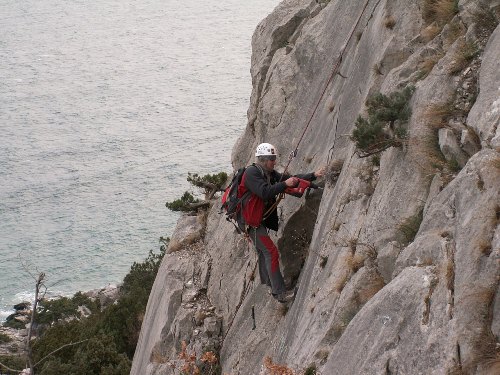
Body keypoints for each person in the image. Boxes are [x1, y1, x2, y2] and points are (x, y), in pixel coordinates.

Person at [237, 143, 325, 303]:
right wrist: (285, 184)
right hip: (251, 225)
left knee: (265, 253)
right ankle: (280, 293)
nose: (274, 162)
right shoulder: (252, 173)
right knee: (271, 252)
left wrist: (313, 176)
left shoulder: (268, 173)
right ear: (264, 160)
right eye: (272, 159)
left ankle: (272, 283)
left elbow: (290, 179)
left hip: (256, 220)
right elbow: (264, 192)